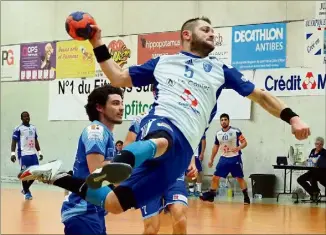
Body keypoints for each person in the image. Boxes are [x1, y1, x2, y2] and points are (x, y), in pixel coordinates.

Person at [18, 17, 310, 219]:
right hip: (165, 121)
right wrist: (97, 42)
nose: (212, 34)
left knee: (115, 204)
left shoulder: (221, 69)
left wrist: (292, 118)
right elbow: (118, 76)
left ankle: (57, 176)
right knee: (161, 139)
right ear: (187, 34)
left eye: (213, 31)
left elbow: (260, 96)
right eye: (205, 29)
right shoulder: (163, 62)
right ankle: (120, 163)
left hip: (184, 149)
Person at [60, 85, 129, 235]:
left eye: (122, 103)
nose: (122, 108)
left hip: (95, 210)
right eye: (115, 103)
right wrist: (130, 164)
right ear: (99, 107)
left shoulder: (107, 134)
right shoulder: (96, 131)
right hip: (82, 211)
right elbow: (97, 170)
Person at [126, 114, 196, 234]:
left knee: (181, 220)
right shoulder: (141, 118)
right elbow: (129, 143)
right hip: (148, 177)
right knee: (151, 229)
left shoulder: (180, 115)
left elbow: (187, 143)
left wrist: (192, 162)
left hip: (174, 175)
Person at [200, 113, 250, 204]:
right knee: (215, 177)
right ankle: (211, 196)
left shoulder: (236, 131)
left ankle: (246, 197)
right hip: (224, 159)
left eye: (225, 120)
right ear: (220, 122)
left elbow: (245, 143)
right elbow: (215, 147)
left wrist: (238, 148)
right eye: (222, 120)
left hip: (235, 158)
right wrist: (211, 159)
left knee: (239, 178)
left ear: (228, 121)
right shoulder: (218, 134)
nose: (223, 121)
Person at [11, 111, 43, 200]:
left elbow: (35, 140)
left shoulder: (33, 128)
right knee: (25, 174)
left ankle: (25, 189)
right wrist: (12, 153)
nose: (26, 118)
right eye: (24, 116)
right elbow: (14, 141)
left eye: (28, 116)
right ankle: (27, 192)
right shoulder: (18, 128)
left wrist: (39, 152)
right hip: (24, 154)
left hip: (33, 154)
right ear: (21, 118)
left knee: (37, 173)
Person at [297, 137, 326, 201]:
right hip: (312, 171)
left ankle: (315, 193)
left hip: (321, 173)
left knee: (312, 176)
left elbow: (322, 164)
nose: (319, 146)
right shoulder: (313, 150)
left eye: (321, 144)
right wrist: (305, 162)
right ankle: (313, 193)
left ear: (323, 145)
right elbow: (310, 160)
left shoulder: (324, 152)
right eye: (317, 144)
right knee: (300, 179)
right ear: (315, 144)